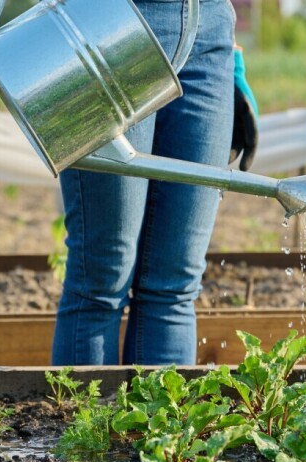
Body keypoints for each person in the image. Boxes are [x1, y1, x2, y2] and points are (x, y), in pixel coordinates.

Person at [51, 0, 257, 366]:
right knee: (102, 276)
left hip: (207, 31)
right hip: (109, 21)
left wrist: (234, 56)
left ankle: (157, 408)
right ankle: (87, 406)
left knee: (175, 280)